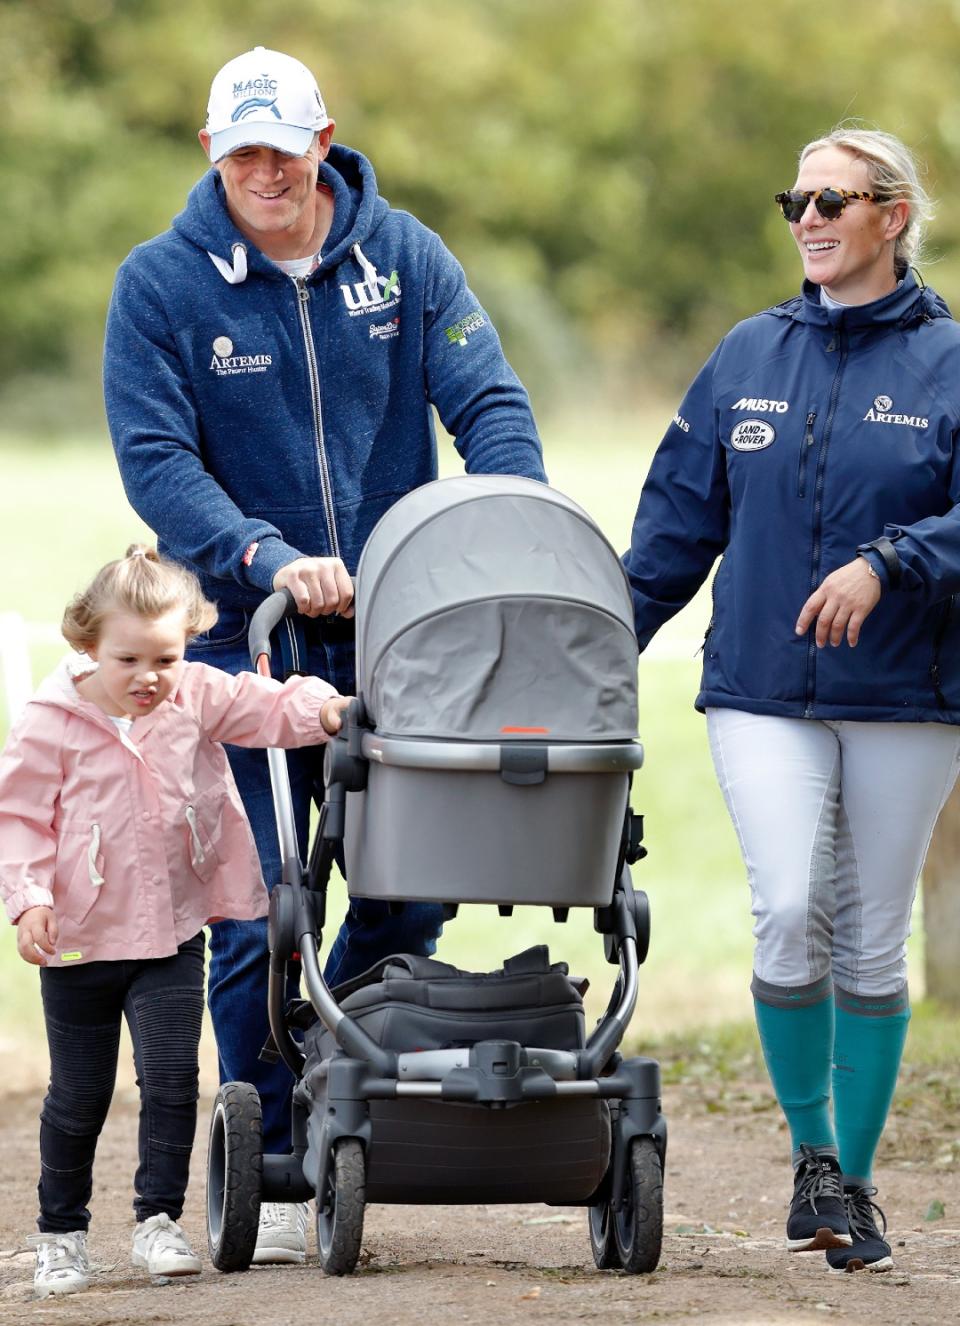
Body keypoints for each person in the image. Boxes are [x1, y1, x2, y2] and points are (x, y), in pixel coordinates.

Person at [102, 45, 546, 1262]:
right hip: (245, 638)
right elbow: (156, 460)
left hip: (406, 635)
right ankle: (276, 1157)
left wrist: (512, 526)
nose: (264, 173)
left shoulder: (404, 257)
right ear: (211, 153)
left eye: (283, 151)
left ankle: (331, 1075)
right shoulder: (161, 286)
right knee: (259, 906)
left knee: (414, 885)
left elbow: (489, 403)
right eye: (240, 152)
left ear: (323, 140)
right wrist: (257, 553)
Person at [624, 127, 960, 1274]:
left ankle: (855, 1186)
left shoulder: (951, 362)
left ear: (893, 214)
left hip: (908, 694)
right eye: (795, 200)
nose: (808, 218)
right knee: (786, 911)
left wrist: (892, 560)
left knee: (873, 938)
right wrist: (602, 641)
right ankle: (814, 1158)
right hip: (761, 687)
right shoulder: (745, 354)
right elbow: (674, 528)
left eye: (832, 198)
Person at [0, 546, 349, 1297]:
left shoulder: (191, 694)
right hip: (79, 943)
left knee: (170, 1082)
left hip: (169, 935)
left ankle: (157, 1220)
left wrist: (321, 710)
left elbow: (260, 705)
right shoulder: (48, 722)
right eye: (128, 659)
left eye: (166, 656)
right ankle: (62, 1233)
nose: (148, 676)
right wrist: (28, 899)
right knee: (80, 1095)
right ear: (86, 645)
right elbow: (19, 819)